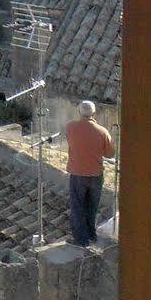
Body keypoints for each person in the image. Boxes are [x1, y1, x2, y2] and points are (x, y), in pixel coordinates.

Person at [64, 100, 115, 247]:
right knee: (92, 207)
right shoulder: (102, 131)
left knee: (78, 207)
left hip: (77, 174)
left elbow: (71, 142)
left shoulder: (70, 127)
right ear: (94, 114)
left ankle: (81, 241)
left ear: (79, 112)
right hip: (95, 175)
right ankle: (91, 235)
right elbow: (110, 154)